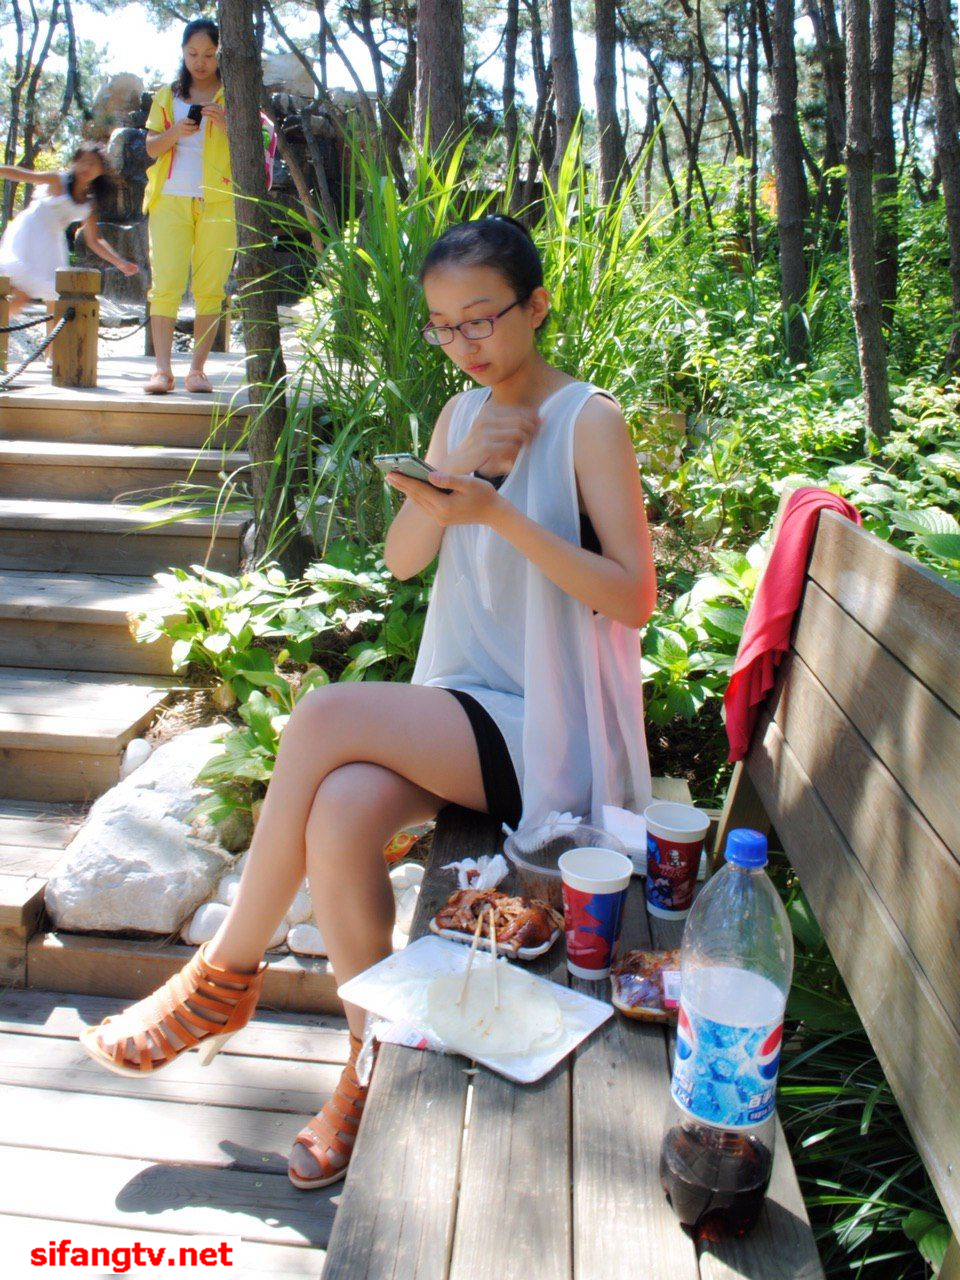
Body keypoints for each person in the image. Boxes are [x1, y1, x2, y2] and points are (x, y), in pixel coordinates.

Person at [78, 214, 657, 1192]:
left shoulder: (587, 420)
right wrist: (455, 481)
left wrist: (500, 511)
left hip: (555, 732)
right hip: (470, 703)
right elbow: (401, 560)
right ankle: (363, 1065)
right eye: (445, 326)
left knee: (321, 715)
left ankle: (223, 972)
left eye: (483, 318)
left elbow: (634, 596)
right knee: (341, 807)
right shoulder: (459, 415)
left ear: (537, 306)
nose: (466, 343)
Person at [141, 17, 234, 395]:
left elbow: (257, 145)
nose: (201, 62)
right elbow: (151, 148)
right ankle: (161, 371)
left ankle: (197, 371)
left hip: (220, 200)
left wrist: (226, 123)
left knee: (211, 287)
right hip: (169, 199)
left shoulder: (234, 94)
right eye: (193, 53)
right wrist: (176, 132)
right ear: (182, 52)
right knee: (166, 285)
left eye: (209, 54)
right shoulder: (168, 95)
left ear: (220, 54)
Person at [0, 142, 138, 354]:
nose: (86, 167)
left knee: (55, 297)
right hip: (28, 233)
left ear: (100, 170)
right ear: (75, 162)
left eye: (92, 163)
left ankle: (51, 354)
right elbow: (24, 175)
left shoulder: (89, 203)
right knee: (18, 292)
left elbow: (94, 240)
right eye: (83, 161)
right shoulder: (58, 180)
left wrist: (120, 263)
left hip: (51, 243)